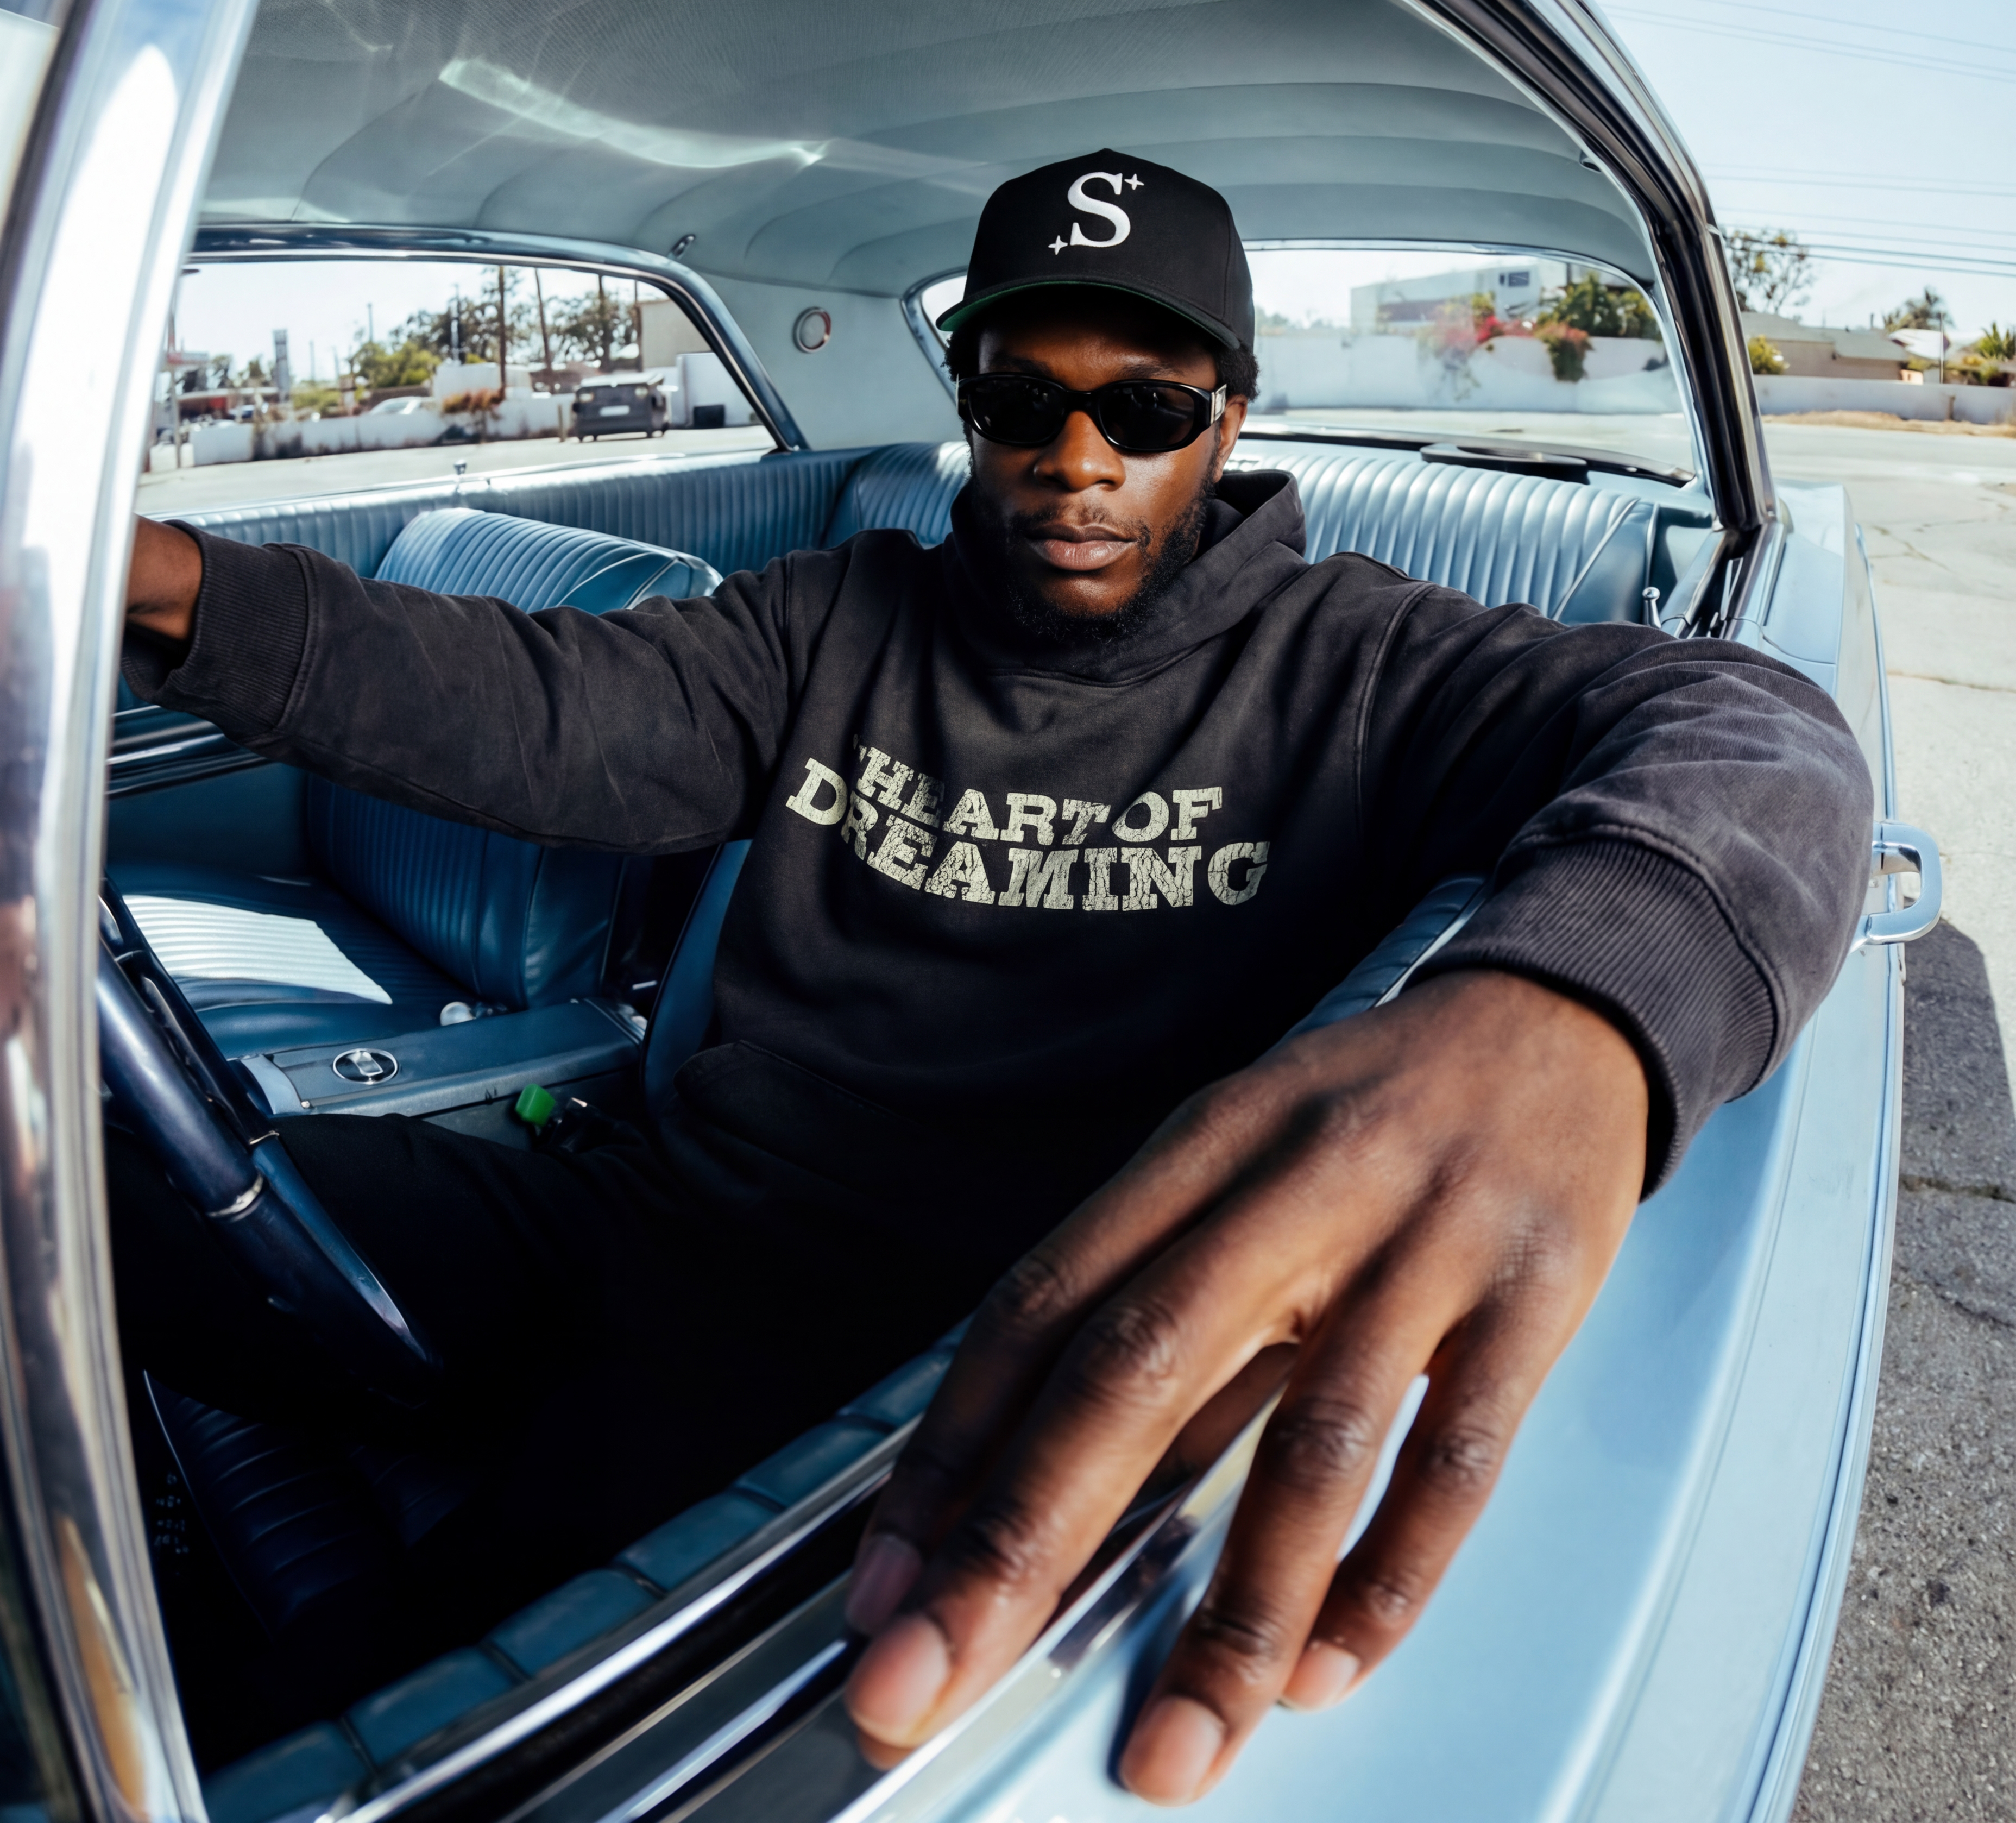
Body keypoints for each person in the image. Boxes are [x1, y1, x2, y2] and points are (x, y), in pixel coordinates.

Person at [119, 157, 1869, 1803]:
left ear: (1228, 420)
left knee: (322, 1747)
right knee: (85, 1195)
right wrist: (154, 589)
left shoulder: (1361, 664)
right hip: (653, 1219)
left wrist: (1573, 1009)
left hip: (922, 1362)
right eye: (1023, 401)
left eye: (1146, 407)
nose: (1078, 456)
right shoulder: (833, 620)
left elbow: (1757, 733)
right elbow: (525, 697)